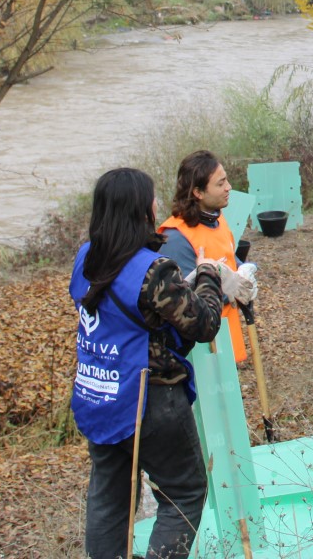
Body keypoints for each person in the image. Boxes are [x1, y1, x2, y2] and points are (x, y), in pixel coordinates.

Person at [69, 167, 228, 559]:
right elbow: (204, 323)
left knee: (110, 499)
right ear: (141, 210)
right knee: (184, 492)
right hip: (149, 399)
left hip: (98, 393)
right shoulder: (152, 272)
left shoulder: (86, 259)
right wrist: (209, 274)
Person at [157, 151, 258, 362]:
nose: (229, 187)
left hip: (224, 336)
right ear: (198, 192)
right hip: (199, 350)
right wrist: (227, 289)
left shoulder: (218, 220)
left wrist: (243, 271)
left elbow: (227, 256)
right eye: (221, 184)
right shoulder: (175, 238)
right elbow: (181, 301)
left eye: (226, 180)